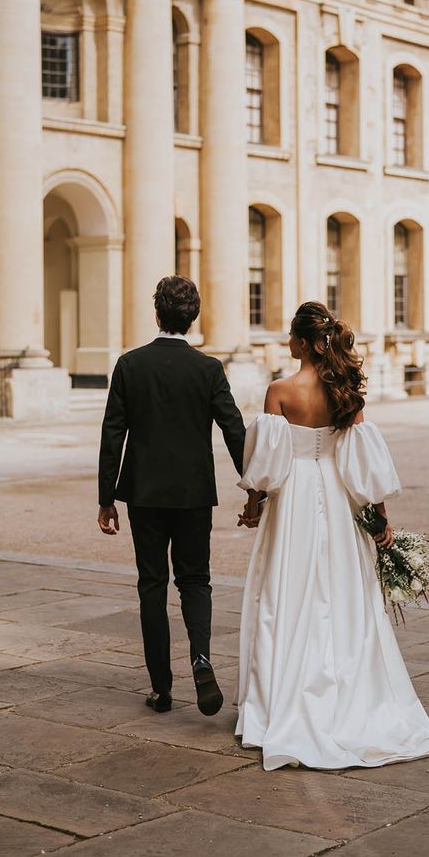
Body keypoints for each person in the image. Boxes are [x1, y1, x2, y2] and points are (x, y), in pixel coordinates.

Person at [236, 300, 429, 770]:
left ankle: (281, 703)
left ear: (298, 341)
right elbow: (363, 466)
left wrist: (253, 507)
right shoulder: (345, 390)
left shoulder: (279, 390)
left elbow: (267, 468)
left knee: (286, 596)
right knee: (344, 597)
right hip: (338, 498)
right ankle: (355, 699)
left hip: (294, 501)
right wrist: (380, 522)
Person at [97, 275, 246, 716]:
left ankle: (162, 688)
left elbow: (113, 435)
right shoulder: (208, 369)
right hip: (194, 493)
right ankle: (201, 660)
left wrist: (107, 496)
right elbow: (234, 429)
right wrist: (255, 484)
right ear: (192, 317)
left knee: (152, 584)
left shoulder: (129, 365)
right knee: (195, 580)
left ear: (157, 314)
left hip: (144, 493)